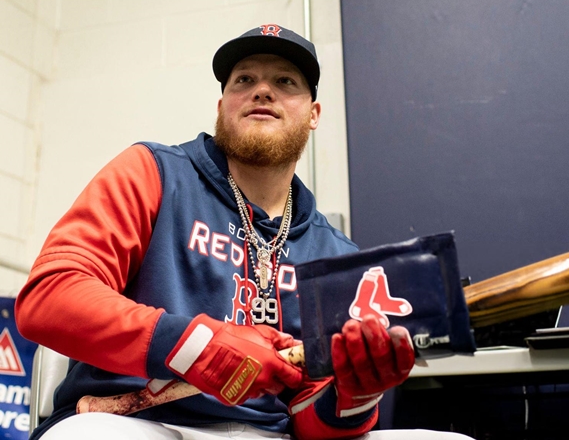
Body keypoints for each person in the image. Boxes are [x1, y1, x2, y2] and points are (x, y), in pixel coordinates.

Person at [15, 24, 473, 440]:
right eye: (244, 80)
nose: (262, 91)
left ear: (313, 113)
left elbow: (311, 418)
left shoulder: (334, 251)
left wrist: (355, 395)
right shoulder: (152, 172)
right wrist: (194, 346)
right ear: (222, 107)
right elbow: (50, 298)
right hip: (137, 423)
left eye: (285, 82)